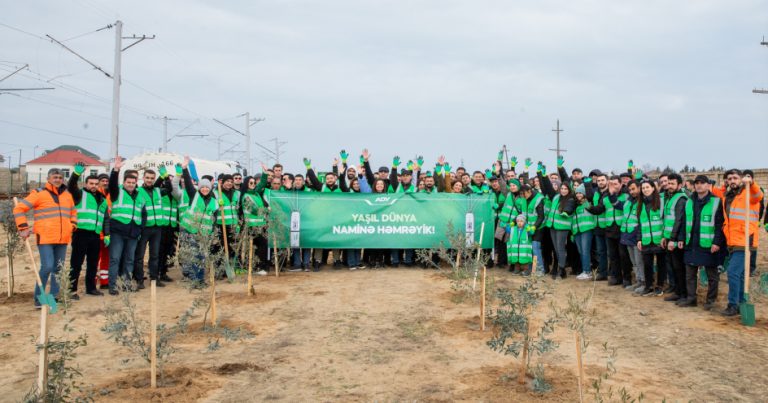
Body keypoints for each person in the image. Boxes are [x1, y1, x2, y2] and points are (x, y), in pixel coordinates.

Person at [14, 167, 77, 307]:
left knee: (58, 269)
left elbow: (73, 212)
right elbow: (19, 208)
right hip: (45, 238)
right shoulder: (38, 193)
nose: (58, 180)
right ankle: (39, 299)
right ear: (48, 179)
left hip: (62, 239)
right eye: (55, 177)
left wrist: (72, 225)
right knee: (47, 267)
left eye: (60, 177)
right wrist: (23, 227)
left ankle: (54, 297)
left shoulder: (67, 195)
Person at [712, 169, 763, 316]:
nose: (732, 180)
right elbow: (715, 191)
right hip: (732, 240)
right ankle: (740, 303)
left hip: (746, 239)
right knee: (739, 275)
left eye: (735, 178)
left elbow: (758, 195)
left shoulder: (749, 193)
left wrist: (751, 183)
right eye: (729, 178)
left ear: (741, 179)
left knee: (733, 272)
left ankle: (732, 305)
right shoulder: (727, 196)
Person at [679, 175, 725, 309]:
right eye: (696, 183)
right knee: (690, 274)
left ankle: (710, 301)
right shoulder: (689, 201)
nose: (699, 185)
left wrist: (717, 242)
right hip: (691, 243)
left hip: (708, 244)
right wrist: (681, 238)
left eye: (702, 183)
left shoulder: (716, 202)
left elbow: (719, 225)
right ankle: (691, 299)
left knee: (712, 275)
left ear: (708, 185)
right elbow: (683, 222)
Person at [67, 163, 109, 298]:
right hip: (81, 233)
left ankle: (90, 288)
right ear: (86, 184)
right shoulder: (79, 194)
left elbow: (106, 219)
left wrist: (107, 234)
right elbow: (71, 185)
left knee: (92, 263)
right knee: (76, 263)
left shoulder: (102, 200)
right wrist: (76, 174)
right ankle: (71, 290)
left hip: (95, 235)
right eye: (91, 183)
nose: (94, 186)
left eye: (96, 184)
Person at [107, 157, 145, 295]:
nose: (130, 184)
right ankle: (113, 286)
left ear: (136, 183)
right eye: (128, 182)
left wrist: (140, 229)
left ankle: (126, 284)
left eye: (133, 182)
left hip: (133, 233)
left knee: (129, 260)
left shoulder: (139, 196)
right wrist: (116, 170)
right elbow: (111, 184)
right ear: (124, 182)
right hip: (118, 232)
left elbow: (143, 214)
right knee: (115, 259)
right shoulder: (117, 192)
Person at [179, 156, 219, 283]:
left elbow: (214, 219)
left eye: (207, 187)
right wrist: (184, 169)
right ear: (200, 188)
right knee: (192, 255)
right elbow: (189, 183)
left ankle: (200, 279)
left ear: (210, 188)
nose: (205, 189)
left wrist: (212, 233)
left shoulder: (214, 201)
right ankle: (193, 278)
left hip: (204, 233)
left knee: (202, 256)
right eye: (203, 187)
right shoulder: (194, 195)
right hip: (190, 230)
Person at [134, 168, 170, 289]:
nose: (149, 180)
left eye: (152, 178)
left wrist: (165, 177)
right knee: (140, 256)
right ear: (143, 178)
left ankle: (154, 278)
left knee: (155, 255)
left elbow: (169, 189)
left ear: (154, 179)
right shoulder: (137, 191)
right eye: (147, 178)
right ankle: (139, 280)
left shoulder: (158, 191)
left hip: (157, 228)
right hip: (144, 228)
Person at [539, 167, 575, 279]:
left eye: (565, 188)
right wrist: (543, 176)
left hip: (562, 228)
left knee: (560, 249)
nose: (563, 190)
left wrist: (561, 169)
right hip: (552, 226)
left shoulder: (570, 199)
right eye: (562, 188)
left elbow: (569, 208)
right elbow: (548, 186)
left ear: (569, 189)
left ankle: (562, 270)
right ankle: (560, 268)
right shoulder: (555, 197)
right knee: (556, 248)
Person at [634, 180, 667, 296]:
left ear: (653, 188)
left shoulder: (661, 202)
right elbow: (639, 224)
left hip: (659, 240)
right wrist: (639, 239)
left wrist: (665, 237)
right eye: (643, 188)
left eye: (647, 187)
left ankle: (660, 286)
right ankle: (648, 286)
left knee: (661, 264)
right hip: (646, 240)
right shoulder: (640, 204)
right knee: (647, 264)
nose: (645, 190)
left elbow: (665, 221)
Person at [661, 173, 689, 302]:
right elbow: (667, 220)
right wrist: (664, 237)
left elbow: (679, 220)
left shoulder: (681, 199)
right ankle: (678, 292)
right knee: (673, 266)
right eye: (668, 183)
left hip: (677, 240)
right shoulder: (671, 197)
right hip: (669, 238)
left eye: (672, 184)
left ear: (680, 184)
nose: (669, 186)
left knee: (679, 267)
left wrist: (673, 240)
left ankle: (683, 294)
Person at [572, 182, 597, 280]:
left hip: (586, 230)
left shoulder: (588, 203)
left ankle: (587, 271)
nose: (578, 195)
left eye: (580, 193)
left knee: (585, 251)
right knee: (581, 251)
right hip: (577, 230)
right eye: (577, 193)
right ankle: (584, 270)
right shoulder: (575, 205)